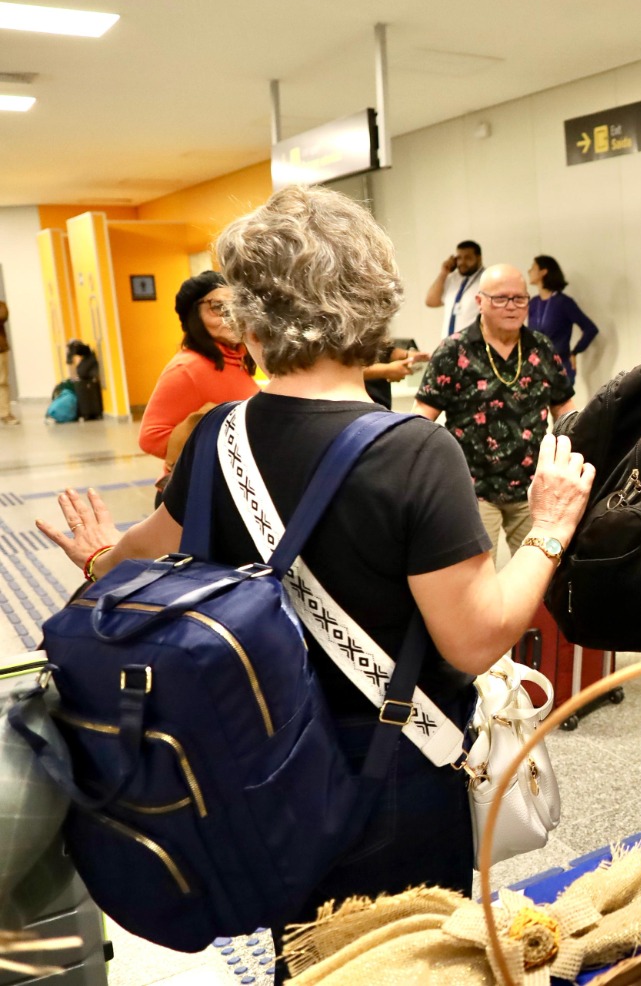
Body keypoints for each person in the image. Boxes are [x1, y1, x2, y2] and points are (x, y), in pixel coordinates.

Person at [34, 184, 594, 966]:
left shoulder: (216, 435)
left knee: (304, 953)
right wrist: (553, 531)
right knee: (409, 960)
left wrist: (98, 557)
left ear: (252, 320)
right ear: (371, 302)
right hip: (389, 770)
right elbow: (475, 639)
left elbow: (152, 550)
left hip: (258, 759)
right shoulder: (411, 450)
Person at [415, 264, 576, 556]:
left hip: (533, 489)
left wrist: (567, 454)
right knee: (476, 583)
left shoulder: (540, 347)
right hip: (472, 491)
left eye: (519, 298)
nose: (511, 307)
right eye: (500, 298)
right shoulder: (453, 350)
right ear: (480, 301)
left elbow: (563, 405)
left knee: (541, 580)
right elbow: (422, 416)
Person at [138, 272, 260, 501]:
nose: (231, 316)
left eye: (236, 306)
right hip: (191, 496)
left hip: (224, 489)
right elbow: (150, 438)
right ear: (194, 316)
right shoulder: (187, 368)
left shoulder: (235, 359)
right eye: (218, 307)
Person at [526, 255, 599, 383]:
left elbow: (590, 329)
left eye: (533, 268)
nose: (529, 271)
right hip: (537, 370)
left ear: (543, 272)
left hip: (560, 368)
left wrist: (575, 352)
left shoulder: (564, 302)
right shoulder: (533, 303)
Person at [424, 239, 486, 339]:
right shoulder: (452, 278)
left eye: (468, 258)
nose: (462, 262)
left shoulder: (487, 279)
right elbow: (431, 301)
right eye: (459, 258)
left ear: (479, 258)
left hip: (473, 345)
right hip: (448, 345)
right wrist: (444, 273)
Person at [0, 298, 15, 425]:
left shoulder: (1, 305)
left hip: (0, 349)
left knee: (2, 382)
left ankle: (5, 413)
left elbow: (2, 316)